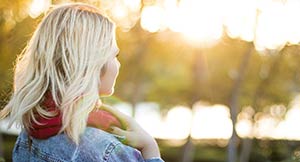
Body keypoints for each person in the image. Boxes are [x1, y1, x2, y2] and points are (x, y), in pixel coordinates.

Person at [0, 3, 163, 162]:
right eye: (115, 56)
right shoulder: (105, 149)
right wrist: (150, 147)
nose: (118, 64)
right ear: (93, 64)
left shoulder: (29, 132)